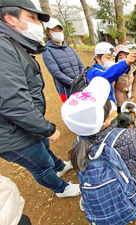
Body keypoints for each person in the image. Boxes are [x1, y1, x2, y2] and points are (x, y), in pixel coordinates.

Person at [0, 0, 80, 198]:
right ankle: (61, 189)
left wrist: (39, 127)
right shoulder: (2, 48)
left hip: (25, 125)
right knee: (40, 165)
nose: (38, 24)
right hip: (11, 134)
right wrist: (47, 128)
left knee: (43, 146)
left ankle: (59, 166)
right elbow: (13, 102)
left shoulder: (13, 45)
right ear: (9, 18)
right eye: (32, 17)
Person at [62, 77, 136, 199]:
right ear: (106, 121)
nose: (110, 103)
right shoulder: (128, 137)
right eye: (107, 104)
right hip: (127, 187)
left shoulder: (78, 143)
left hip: (103, 192)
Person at [42, 18, 85, 102]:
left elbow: (81, 65)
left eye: (59, 30)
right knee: (71, 110)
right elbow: (56, 73)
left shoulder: (70, 49)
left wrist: (81, 80)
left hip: (80, 85)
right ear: (48, 32)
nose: (58, 33)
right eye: (54, 30)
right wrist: (73, 83)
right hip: (65, 88)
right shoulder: (47, 51)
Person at [113, 45, 136, 113]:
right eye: (120, 57)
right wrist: (113, 100)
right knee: (120, 109)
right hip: (119, 92)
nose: (124, 58)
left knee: (129, 109)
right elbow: (112, 86)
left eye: (126, 56)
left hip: (129, 93)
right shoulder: (115, 70)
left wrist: (133, 92)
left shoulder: (134, 69)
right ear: (116, 59)